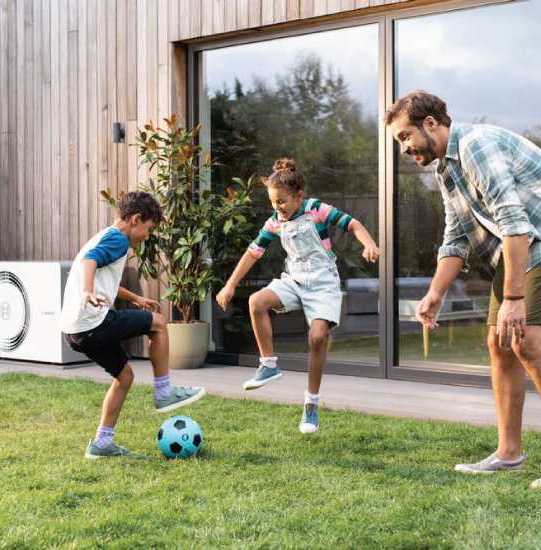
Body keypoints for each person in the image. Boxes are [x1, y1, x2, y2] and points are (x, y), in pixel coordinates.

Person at [385, 90, 541, 488]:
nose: (403, 148)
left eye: (404, 137)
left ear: (431, 124)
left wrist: (514, 298)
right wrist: (436, 292)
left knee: (527, 343)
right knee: (501, 343)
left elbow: (515, 223)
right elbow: (455, 238)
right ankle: (509, 455)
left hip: (531, 240)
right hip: (518, 247)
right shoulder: (445, 169)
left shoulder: (475, 147)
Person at [216, 158, 380, 434]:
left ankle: (311, 404)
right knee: (257, 301)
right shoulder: (275, 222)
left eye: (281, 202)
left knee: (316, 339)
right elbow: (252, 252)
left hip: (323, 282)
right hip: (294, 280)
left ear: (299, 196)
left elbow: (353, 224)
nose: (276, 208)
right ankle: (268, 364)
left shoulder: (316, 209)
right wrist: (230, 284)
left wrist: (370, 245)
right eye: (272, 203)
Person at [60, 191, 205, 459]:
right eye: (149, 229)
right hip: (92, 322)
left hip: (74, 329)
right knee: (159, 324)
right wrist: (86, 292)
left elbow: (102, 275)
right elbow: (90, 262)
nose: (148, 236)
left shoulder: (106, 235)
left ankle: (102, 443)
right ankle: (164, 392)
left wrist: (135, 297)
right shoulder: (117, 239)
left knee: (125, 376)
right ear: (136, 219)